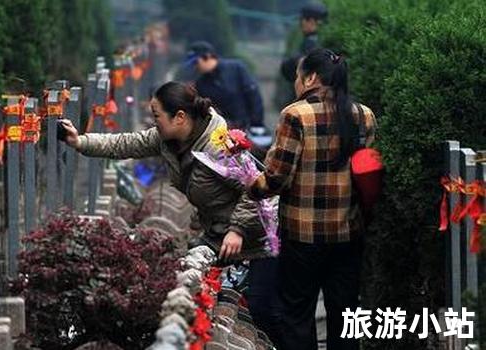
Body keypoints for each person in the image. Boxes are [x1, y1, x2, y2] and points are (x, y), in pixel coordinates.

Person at [59, 81, 281, 340]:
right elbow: (126, 143)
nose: (154, 122)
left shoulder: (220, 146)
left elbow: (259, 189)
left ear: (180, 117)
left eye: (156, 116)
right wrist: (80, 141)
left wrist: (238, 229)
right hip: (219, 235)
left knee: (266, 310)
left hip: (260, 236)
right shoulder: (169, 140)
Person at [248, 48, 377, 350]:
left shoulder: (296, 115)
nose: (295, 82)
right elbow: (365, 172)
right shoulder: (364, 115)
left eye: (297, 76)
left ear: (311, 78)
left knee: (297, 313)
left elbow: (277, 178)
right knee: (345, 314)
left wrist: (251, 185)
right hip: (348, 232)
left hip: (303, 235)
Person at [185, 41, 265, 132]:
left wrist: (257, 123)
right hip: (223, 132)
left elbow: (253, 94)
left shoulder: (236, 68)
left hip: (248, 126)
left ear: (207, 56)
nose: (195, 67)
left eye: (196, 62)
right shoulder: (201, 84)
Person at [280, 3, 328, 84]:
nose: (301, 23)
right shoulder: (313, 40)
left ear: (312, 21)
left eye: (302, 19)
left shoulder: (312, 44)